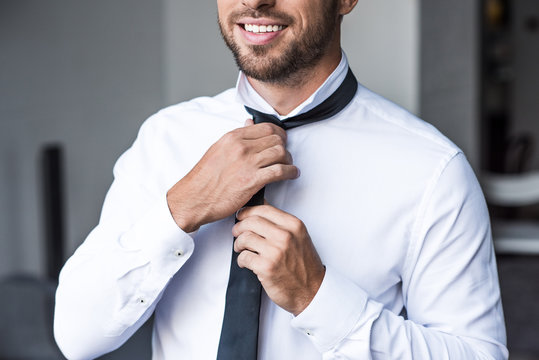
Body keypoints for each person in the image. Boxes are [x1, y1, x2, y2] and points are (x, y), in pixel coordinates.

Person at [54, 0, 508, 359]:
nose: (254, 1)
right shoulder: (165, 138)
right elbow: (77, 337)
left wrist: (319, 297)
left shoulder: (431, 168)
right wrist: (182, 208)